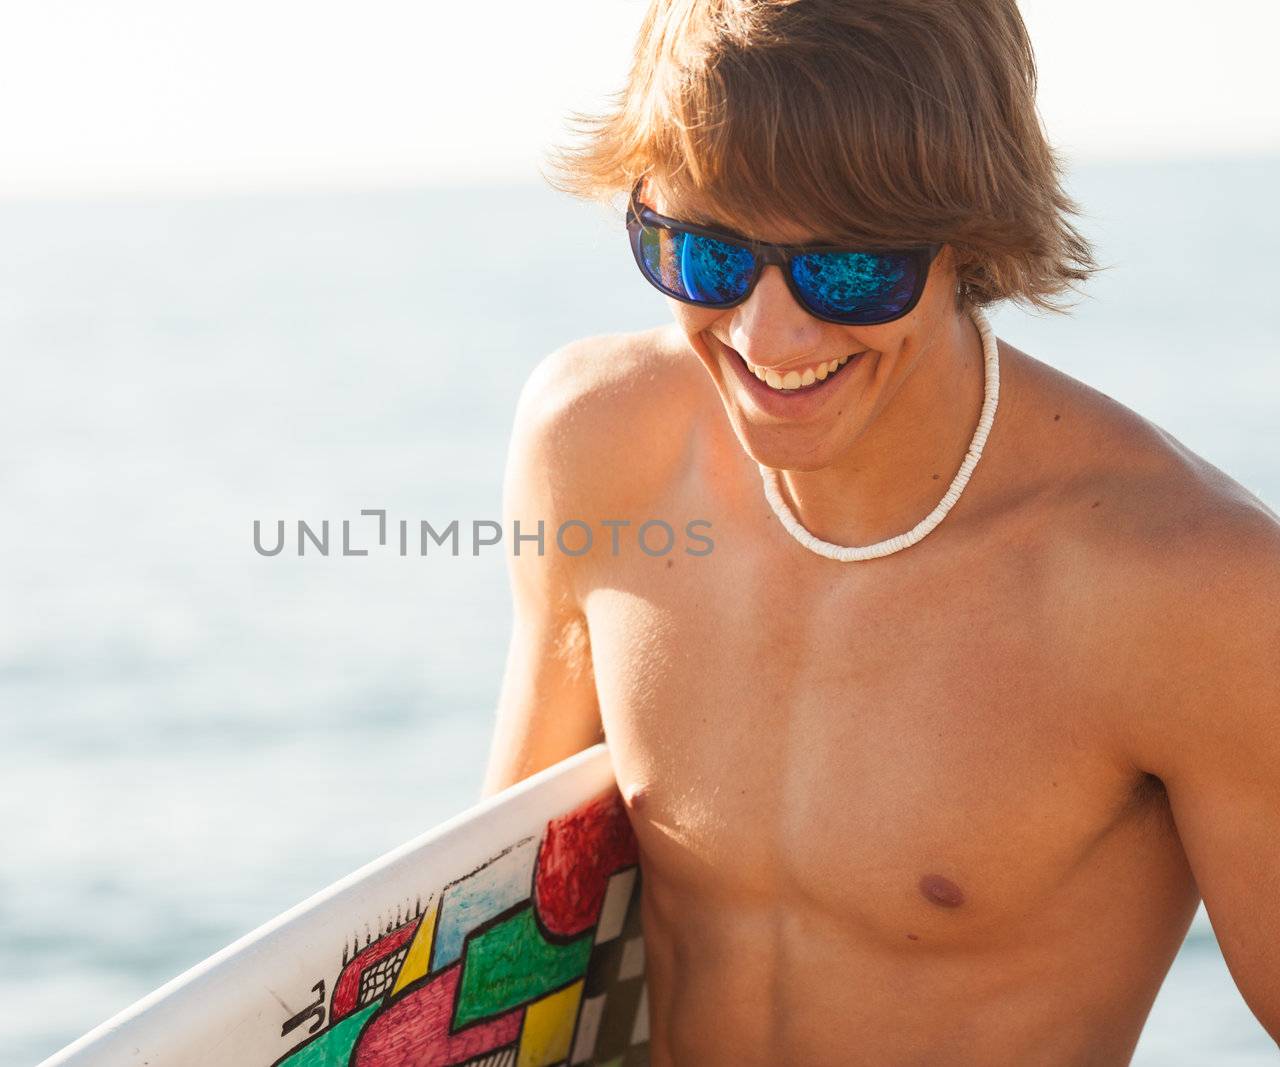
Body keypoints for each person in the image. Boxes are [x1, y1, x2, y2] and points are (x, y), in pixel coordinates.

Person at [480, 0, 1280, 1062]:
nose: (767, 335)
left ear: (971, 234)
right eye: (707, 255)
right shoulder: (591, 445)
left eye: (848, 268)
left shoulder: (1192, 587)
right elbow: (507, 920)